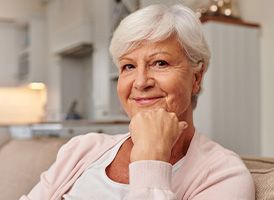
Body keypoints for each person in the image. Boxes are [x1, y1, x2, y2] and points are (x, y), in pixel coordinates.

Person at [20, 4, 255, 200]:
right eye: (128, 66)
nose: (140, 82)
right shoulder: (83, 148)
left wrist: (151, 159)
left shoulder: (223, 175)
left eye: (160, 63)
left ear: (196, 78)